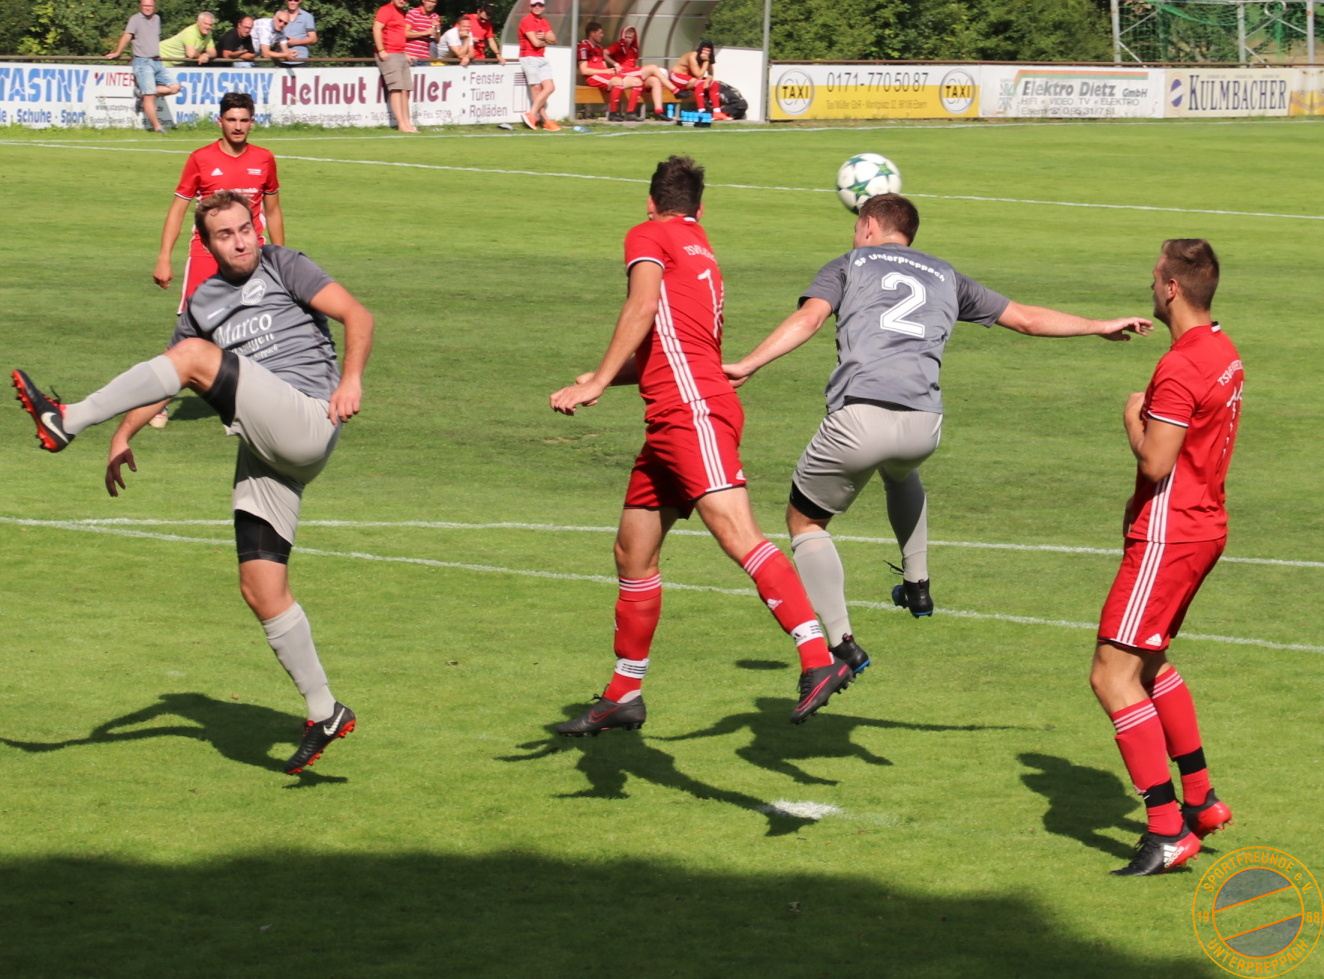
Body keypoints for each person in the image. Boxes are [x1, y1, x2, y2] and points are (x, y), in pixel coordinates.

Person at [11, 189, 375, 775]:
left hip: (308, 418)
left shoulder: (284, 265)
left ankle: (67, 419)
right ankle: (325, 710)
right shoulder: (202, 304)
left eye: (245, 229)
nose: (240, 241)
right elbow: (167, 375)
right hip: (267, 450)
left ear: (256, 229)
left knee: (198, 356)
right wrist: (124, 433)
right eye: (225, 235)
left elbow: (359, 316)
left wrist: (350, 379)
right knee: (261, 588)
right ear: (206, 245)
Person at [724, 194, 1151, 673]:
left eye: (857, 226)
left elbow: (809, 318)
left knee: (806, 524)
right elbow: (1027, 319)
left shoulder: (850, 264)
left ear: (869, 226)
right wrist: (1099, 325)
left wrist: (750, 363)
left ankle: (842, 644)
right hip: (924, 424)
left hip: (860, 418)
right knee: (899, 472)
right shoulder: (945, 274)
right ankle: (917, 583)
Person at [549, 156, 854, 735]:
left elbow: (642, 308)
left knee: (738, 534)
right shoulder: (701, 248)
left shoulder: (648, 235)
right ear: (699, 208)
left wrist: (597, 381)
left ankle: (819, 657)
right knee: (633, 551)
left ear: (650, 203)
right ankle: (624, 693)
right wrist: (608, 377)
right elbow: (675, 346)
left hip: (690, 412)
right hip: (677, 412)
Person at [1089, 239, 1242, 876]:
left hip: (1168, 535)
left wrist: (1132, 415)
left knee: (1111, 674)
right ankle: (1201, 799)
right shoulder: (1223, 350)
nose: (1151, 285)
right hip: (1203, 527)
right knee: (1149, 663)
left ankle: (1167, 829)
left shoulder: (1180, 366)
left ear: (1172, 288)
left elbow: (1156, 460)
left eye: (1155, 277)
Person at [105, 0, 181, 134]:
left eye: (150, 6)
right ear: (140, 6)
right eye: (145, 5)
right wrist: (118, 52)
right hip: (142, 62)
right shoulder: (135, 19)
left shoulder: (157, 19)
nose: (147, 8)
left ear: (154, 7)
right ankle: (158, 127)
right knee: (150, 96)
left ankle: (142, 92)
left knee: (175, 87)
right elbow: (127, 36)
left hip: (157, 61)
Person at [606, 25, 675, 120]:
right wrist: (615, 64)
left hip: (633, 73)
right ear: (622, 36)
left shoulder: (634, 49)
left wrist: (640, 72)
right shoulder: (618, 46)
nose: (628, 40)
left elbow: (635, 64)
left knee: (655, 80)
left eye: (630, 37)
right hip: (623, 73)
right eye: (626, 37)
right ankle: (675, 90)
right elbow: (604, 53)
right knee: (653, 68)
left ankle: (658, 111)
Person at [374, 0, 419, 133]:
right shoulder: (386, 9)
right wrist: (381, 50)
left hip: (400, 54)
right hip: (389, 53)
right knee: (396, 88)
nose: (402, 1)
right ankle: (401, 124)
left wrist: (405, 53)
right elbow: (376, 28)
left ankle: (407, 124)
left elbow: (398, 34)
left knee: (406, 90)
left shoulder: (400, 12)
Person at [518, 0, 559, 131]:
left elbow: (554, 40)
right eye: (534, 5)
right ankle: (546, 121)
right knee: (536, 89)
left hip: (541, 57)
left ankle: (532, 114)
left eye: (540, 5)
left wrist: (545, 37)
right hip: (529, 57)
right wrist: (546, 38)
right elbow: (535, 43)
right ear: (530, 7)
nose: (537, 7)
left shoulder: (544, 21)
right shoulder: (526, 21)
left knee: (550, 87)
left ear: (543, 7)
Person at [577, 22, 630, 122]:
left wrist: (611, 71)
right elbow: (583, 70)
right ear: (592, 33)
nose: (602, 35)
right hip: (593, 77)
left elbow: (604, 66)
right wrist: (605, 71)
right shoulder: (583, 47)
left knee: (636, 81)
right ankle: (613, 113)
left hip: (603, 75)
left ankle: (631, 113)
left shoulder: (599, 48)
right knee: (617, 81)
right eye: (600, 33)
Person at [670, 40, 729, 121]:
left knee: (714, 84)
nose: (705, 52)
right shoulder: (693, 56)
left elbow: (711, 74)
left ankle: (717, 112)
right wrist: (706, 61)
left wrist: (707, 82)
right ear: (700, 49)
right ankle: (701, 111)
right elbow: (699, 76)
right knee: (700, 83)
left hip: (692, 79)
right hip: (677, 77)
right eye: (704, 49)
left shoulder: (707, 58)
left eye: (708, 50)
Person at [404, 0, 442, 64]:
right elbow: (405, 33)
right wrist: (425, 33)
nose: (430, 4)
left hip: (425, 57)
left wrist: (437, 29)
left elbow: (438, 40)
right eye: (429, 1)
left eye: (433, 2)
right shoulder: (413, 13)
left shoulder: (435, 16)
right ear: (423, 1)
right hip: (410, 55)